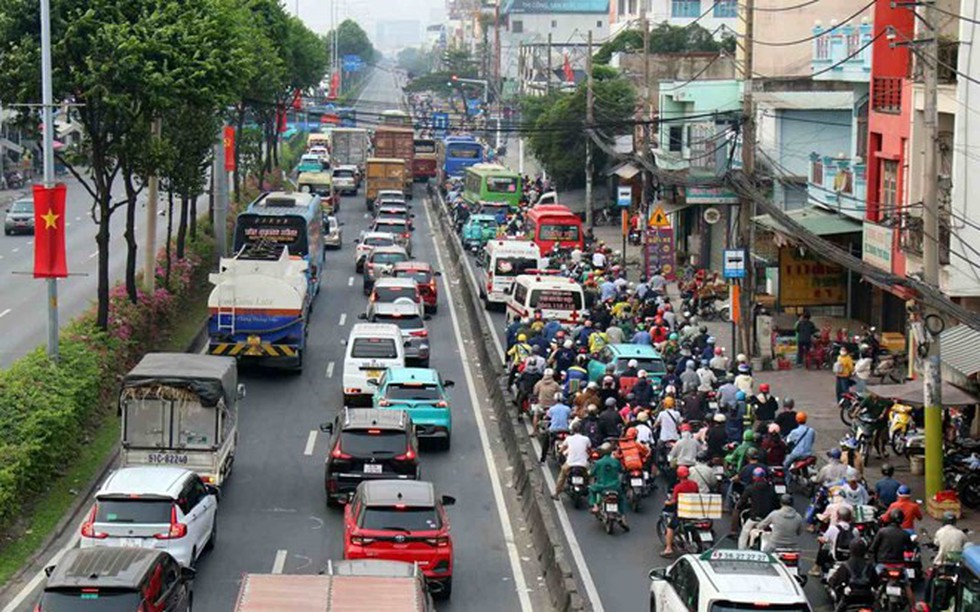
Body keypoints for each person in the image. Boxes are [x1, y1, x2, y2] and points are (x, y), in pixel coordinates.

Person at [828, 540, 879, 611]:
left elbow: (834, 581)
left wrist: (833, 584)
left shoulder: (845, 566)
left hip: (850, 598)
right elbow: (876, 582)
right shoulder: (869, 566)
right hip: (867, 598)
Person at [588, 443, 629, 529]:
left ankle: (595, 506)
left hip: (601, 486)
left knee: (591, 489)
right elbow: (621, 470)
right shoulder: (616, 462)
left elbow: (591, 473)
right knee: (621, 499)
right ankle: (623, 517)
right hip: (615, 486)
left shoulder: (598, 463)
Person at [736, 467, 779, 549]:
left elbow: (742, 501)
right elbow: (776, 503)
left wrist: (739, 506)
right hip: (768, 518)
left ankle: (741, 549)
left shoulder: (750, 488)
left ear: (754, 477)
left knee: (744, 533)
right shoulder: (771, 488)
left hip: (755, 517)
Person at [661, 466, 700, 556]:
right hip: (694, 510)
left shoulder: (678, 487)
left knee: (670, 527)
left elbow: (674, 501)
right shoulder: (694, 484)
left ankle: (668, 549)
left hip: (682, 511)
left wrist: (667, 502)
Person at [812, 505, 858, 576]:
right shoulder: (855, 530)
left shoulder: (833, 528)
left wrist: (819, 538)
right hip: (849, 556)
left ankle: (818, 569)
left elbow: (824, 539)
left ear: (838, 517)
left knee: (824, 548)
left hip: (835, 556)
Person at [551, 422, 591, 499]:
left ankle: (556, 493)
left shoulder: (569, 438)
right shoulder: (586, 439)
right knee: (590, 475)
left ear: (572, 430)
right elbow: (589, 449)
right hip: (583, 464)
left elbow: (562, 449)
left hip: (570, 464)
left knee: (562, 476)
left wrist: (560, 452)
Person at [540, 393, 572, 462]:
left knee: (546, 442)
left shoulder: (552, 409)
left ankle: (543, 458)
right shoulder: (567, 408)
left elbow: (548, 416)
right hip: (565, 429)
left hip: (554, 430)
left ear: (554, 400)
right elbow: (569, 416)